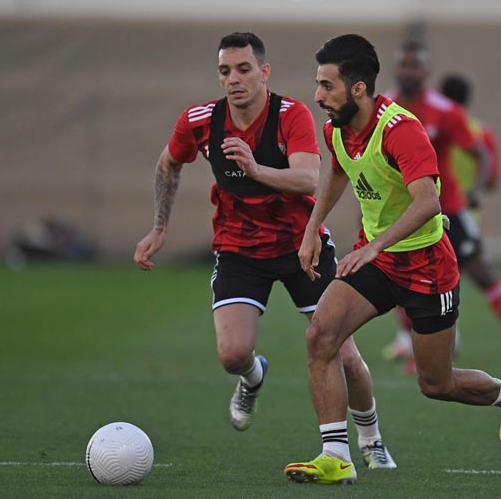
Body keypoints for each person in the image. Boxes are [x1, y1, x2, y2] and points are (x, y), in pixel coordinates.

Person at [133, 32, 395, 470]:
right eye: (225, 71)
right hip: (238, 248)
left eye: (243, 69)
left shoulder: (290, 114)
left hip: (301, 246)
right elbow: (168, 163)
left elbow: (307, 179)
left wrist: (254, 168)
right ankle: (253, 376)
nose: (234, 79)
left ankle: (371, 440)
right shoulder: (200, 120)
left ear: (264, 72)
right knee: (232, 355)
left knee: (345, 354)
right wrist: (159, 227)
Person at [284, 34, 501, 485]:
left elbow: (428, 203)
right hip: (378, 262)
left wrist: (373, 246)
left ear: (358, 88)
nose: (318, 96)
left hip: (426, 268)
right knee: (321, 336)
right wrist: (312, 229)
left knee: (436, 384)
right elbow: (339, 170)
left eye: (327, 86)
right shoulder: (336, 127)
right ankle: (336, 455)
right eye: (318, 84)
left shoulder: (401, 129)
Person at [382, 43, 501, 377]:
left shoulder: (443, 110)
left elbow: (481, 154)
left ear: (425, 71)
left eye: (414, 66)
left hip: (448, 211)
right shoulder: (384, 107)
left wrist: (475, 191)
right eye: (403, 65)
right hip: (404, 213)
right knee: (401, 281)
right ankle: (424, 351)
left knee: (482, 274)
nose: (407, 72)